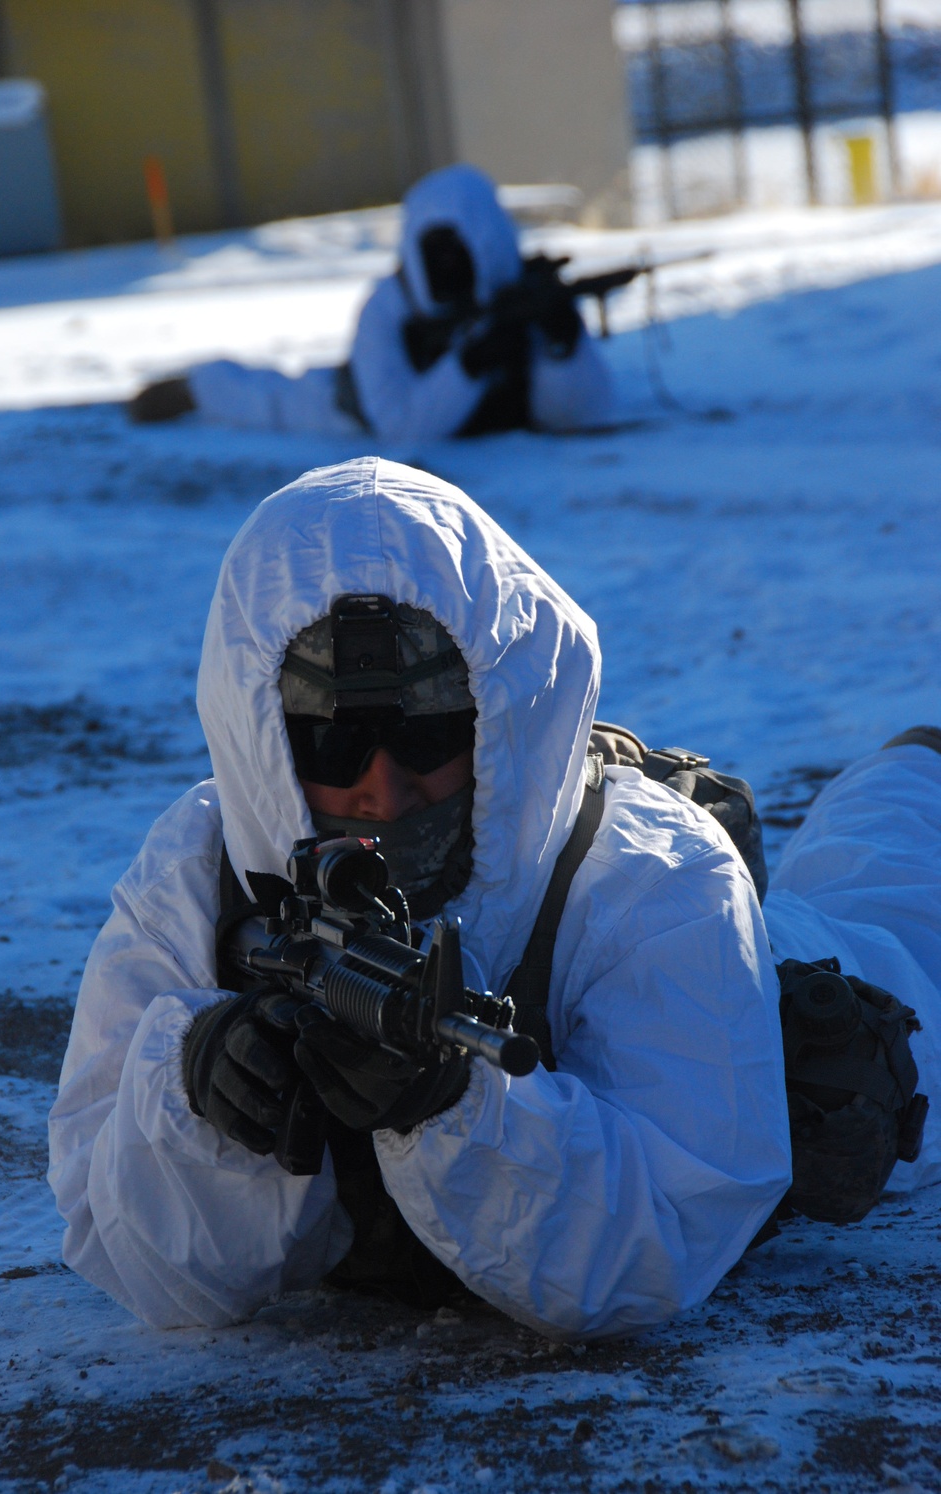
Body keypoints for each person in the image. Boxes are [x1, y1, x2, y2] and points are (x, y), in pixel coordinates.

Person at [48, 456, 940, 1335]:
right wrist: (194, 1095)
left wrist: (454, 1108)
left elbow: (665, 1245)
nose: (384, 793)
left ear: (495, 717)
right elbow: (110, 1232)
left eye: (428, 734)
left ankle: (916, 762)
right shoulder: (200, 870)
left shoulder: (653, 874)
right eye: (330, 746)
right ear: (262, 740)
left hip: (819, 977)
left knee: (893, 896)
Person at [129, 165, 615, 441]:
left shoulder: (515, 291)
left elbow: (581, 415)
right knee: (277, 400)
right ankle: (196, 389)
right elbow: (398, 426)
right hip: (351, 406)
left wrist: (562, 344)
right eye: (436, 252)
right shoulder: (385, 309)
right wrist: (469, 363)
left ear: (486, 244)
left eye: (457, 250)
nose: (447, 266)